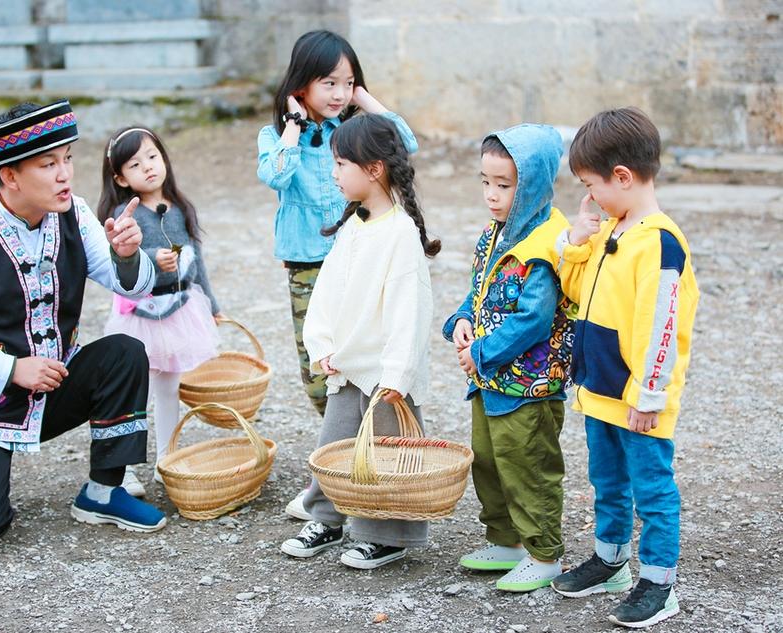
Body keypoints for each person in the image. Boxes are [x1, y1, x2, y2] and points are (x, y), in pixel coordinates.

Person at [0, 101, 167, 551]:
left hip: (51, 386)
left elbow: (132, 289)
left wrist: (126, 255)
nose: (65, 174)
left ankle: (104, 491)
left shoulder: (76, 214)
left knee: (125, 352)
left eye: (67, 159)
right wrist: (11, 369)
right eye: (48, 164)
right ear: (10, 175)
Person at [256, 29, 418, 520]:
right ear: (300, 85)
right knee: (318, 372)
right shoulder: (277, 136)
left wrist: (366, 99)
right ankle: (341, 460)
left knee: (359, 363)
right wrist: (291, 125)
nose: (339, 94)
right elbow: (275, 175)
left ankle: (338, 474)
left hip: (358, 260)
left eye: (347, 83)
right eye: (329, 82)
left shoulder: (351, 130)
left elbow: (404, 144)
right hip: (309, 263)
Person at [549, 107, 699, 629]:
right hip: (600, 392)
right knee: (608, 481)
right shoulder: (611, 228)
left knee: (652, 488)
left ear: (622, 177)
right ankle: (611, 559)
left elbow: (661, 331)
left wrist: (648, 395)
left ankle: (659, 582)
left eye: (592, 186)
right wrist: (575, 245)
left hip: (639, 400)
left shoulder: (658, 243)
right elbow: (574, 295)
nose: (588, 198)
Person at [278, 114, 439, 569]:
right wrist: (323, 344)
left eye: (341, 163)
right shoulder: (354, 227)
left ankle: (386, 535)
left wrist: (397, 375)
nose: (334, 173)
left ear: (374, 169)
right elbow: (327, 294)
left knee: (386, 458)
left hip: (386, 375)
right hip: (348, 365)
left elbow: (410, 311)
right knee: (335, 448)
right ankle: (326, 519)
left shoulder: (400, 234)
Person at [442, 125, 574, 591]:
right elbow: (478, 290)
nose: (491, 195)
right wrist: (460, 318)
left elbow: (533, 320)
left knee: (528, 465)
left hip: (528, 384)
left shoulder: (545, 244)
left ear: (533, 184)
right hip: (489, 379)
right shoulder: (494, 233)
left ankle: (544, 552)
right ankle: (505, 540)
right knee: (490, 461)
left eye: (504, 185)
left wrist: (479, 352)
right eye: (485, 182)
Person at [97, 126, 222, 496]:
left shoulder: (181, 208)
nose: (148, 167)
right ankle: (125, 467)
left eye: (153, 157)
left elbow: (197, 260)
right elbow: (122, 260)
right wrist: (152, 258)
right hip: (142, 314)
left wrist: (212, 303)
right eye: (135, 164)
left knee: (169, 387)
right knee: (135, 389)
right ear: (121, 177)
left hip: (180, 307)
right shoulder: (125, 213)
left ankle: (166, 458)